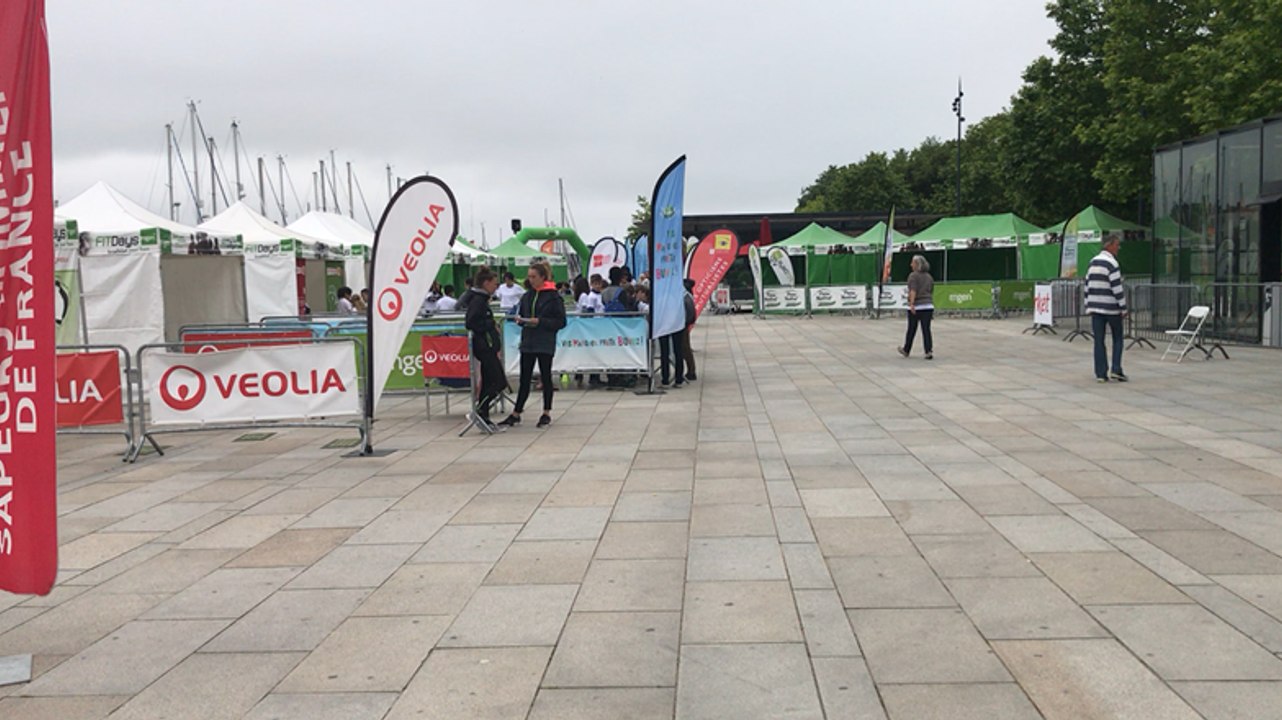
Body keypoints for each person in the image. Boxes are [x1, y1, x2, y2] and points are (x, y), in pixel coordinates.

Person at [499, 261, 566, 428]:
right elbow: (521, 313)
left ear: (543, 277)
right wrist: (521, 321)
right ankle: (516, 412)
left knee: (545, 377)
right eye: (529, 276)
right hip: (528, 341)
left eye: (534, 277)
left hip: (544, 341)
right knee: (524, 378)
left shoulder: (553, 296)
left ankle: (546, 412)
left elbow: (560, 321)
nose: (531, 280)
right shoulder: (527, 295)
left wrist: (541, 322)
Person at [460, 267, 505, 429]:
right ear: (486, 283)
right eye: (494, 284)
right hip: (484, 347)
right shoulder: (478, 301)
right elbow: (471, 322)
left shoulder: (482, 299)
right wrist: (490, 325)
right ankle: (479, 410)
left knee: (488, 381)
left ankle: (484, 416)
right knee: (499, 381)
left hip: (488, 346)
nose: (496, 287)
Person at [1086, 236, 1128, 382]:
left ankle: (1100, 373)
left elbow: (1087, 284)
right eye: (1117, 245)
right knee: (1117, 338)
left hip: (1096, 308)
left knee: (1099, 340)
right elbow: (1117, 287)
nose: (1119, 248)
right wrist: (1123, 307)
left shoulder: (1093, 262)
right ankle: (1116, 369)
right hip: (1111, 308)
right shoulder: (1112, 263)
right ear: (1109, 246)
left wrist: (1088, 304)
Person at [898, 255, 934, 360]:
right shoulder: (929, 277)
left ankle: (906, 349)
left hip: (917, 305)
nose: (911, 265)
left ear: (917, 264)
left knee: (911, 329)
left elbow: (913, 290)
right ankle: (928, 350)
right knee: (926, 329)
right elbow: (931, 290)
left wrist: (912, 304)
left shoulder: (913, 276)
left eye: (912, 263)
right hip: (928, 305)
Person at [682, 278, 698, 381]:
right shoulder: (688, 295)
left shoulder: (685, 296)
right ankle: (691, 370)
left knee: (685, 348)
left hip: (683, 324)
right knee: (686, 348)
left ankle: (691, 371)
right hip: (685, 324)